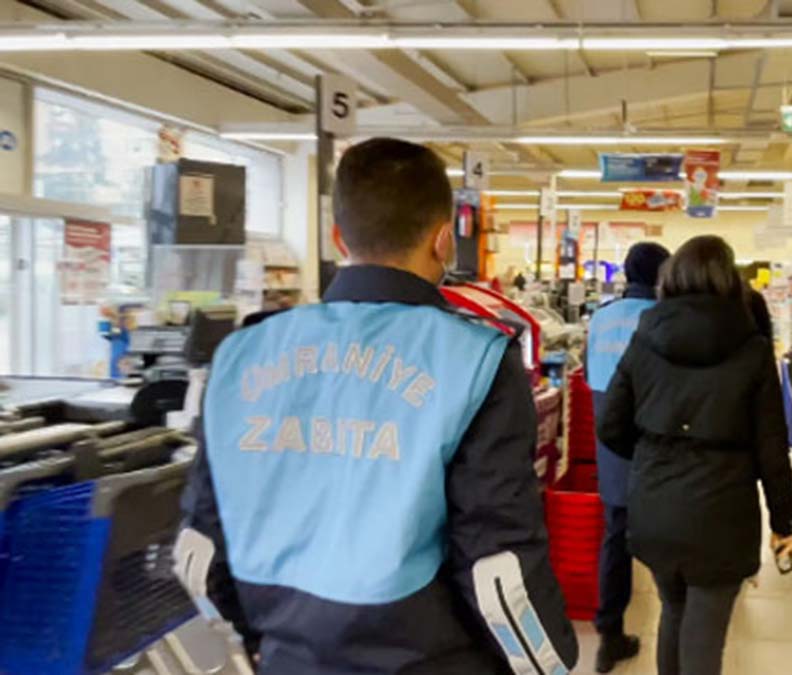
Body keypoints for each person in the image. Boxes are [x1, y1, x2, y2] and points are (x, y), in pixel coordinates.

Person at [179, 139, 578, 675]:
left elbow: (200, 549)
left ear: (338, 237)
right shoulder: (473, 358)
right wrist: (550, 665)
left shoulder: (241, 355)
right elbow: (496, 564)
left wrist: (265, 641)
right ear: (444, 241)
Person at [598, 235, 792, 675]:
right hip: (722, 513)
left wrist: (654, 453)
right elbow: (771, 447)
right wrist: (785, 521)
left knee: (673, 612)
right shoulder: (752, 349)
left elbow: (610, 425)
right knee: (705, 637)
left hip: (654, 507)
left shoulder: (644, 338)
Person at [584, 241, 670, 672]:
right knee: (664, 536)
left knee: (614, 537)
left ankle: (609, 636)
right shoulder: (659, 319)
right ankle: (676, 633)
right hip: (650, 441)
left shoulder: (600, 318)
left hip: (607, 442)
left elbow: (588, 374)